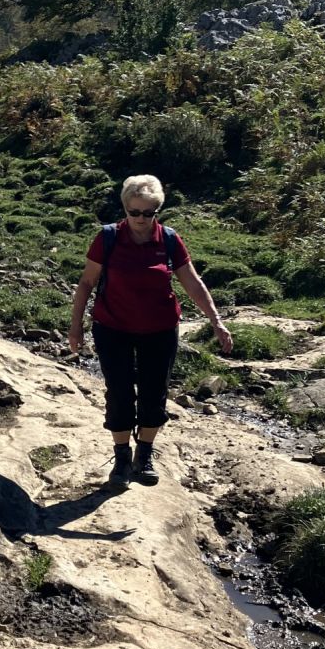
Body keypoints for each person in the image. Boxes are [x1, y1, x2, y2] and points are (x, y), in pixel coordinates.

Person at [68, 174, 232, 486]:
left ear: (157, 210)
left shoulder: (169, 239)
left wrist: (216, 322)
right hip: (112, 327)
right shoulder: (108, 238)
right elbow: (87, 283)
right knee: (119, 393)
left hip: (159, 330)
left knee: (154, 395)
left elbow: (192, 283)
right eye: (135, 212)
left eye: (149, 212)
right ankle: (120, 460)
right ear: (125, 208)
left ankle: (143, 456)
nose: (142, 219)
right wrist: (75, 328)